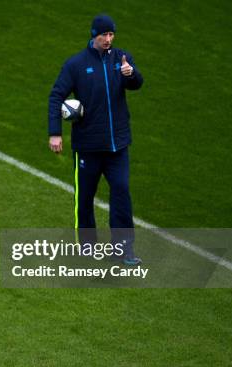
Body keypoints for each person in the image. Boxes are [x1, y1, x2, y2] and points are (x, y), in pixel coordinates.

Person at [48, 14, 144, 265]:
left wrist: (131, 74)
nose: (109, 39)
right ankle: (87, 247)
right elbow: (56, 96)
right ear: (94, 35)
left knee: (122, 192)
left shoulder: (121, 59)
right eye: (104, 35)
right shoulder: (76, 65)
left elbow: (137, 84)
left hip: (118, 145)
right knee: (85, 197)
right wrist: (55, 132)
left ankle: (123, 249)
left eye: (112, 35)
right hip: (88, 147)